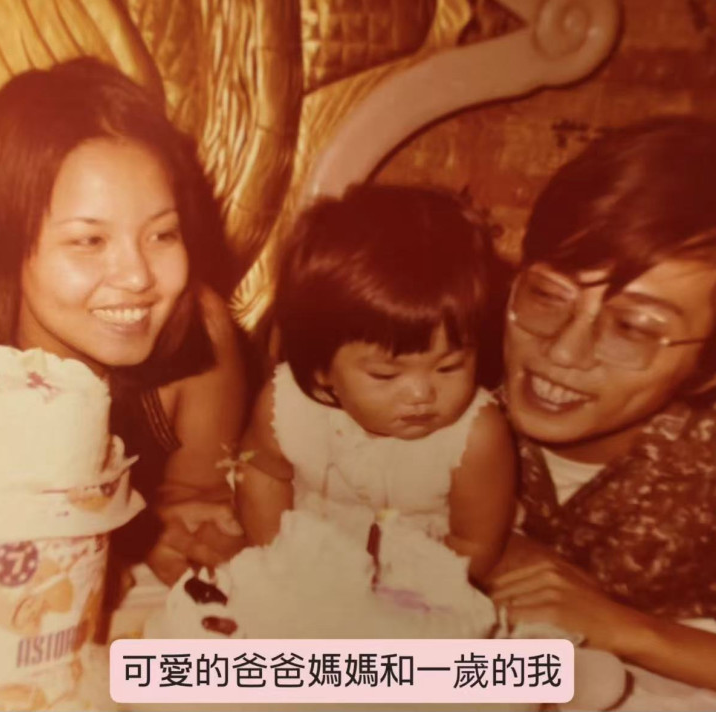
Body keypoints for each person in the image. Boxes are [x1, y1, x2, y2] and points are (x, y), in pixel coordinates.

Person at [0, 58, 247, 587]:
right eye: (89, 240)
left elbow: (195, 502)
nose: (138, 276)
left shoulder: (199, 333)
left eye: (162, 234)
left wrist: (183, 534)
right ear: (10, 242)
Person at [489, 117, 716, 690]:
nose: (562, 351)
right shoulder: (430, 393)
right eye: (547, 295)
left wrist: (626, 629)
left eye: (633, 328)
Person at [237, 184, 516, 581]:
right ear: (320, 368)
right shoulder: (284, 407)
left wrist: (394, 595)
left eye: (449, 367)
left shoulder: (476, 438)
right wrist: (274, 556)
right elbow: (262, 474)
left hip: (420, 585)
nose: (422, 395)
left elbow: (476, 545)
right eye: (386, 374)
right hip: (305, 564)